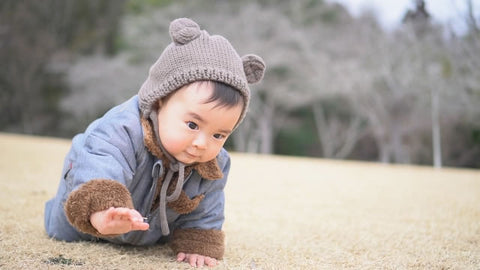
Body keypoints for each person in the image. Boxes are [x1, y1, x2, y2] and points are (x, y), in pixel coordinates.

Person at [44, 17, 265, 268]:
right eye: (192, 125)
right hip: (82, 226)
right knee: (66, 227)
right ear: (159, 101)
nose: (203, 143)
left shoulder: (213, 162)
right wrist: (104, 209)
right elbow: (101, 163)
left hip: (148, 234)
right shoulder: (121, 130)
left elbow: (208, 208)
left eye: (219, 135)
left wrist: (198, 243)